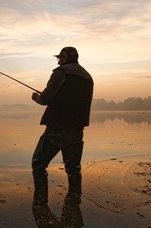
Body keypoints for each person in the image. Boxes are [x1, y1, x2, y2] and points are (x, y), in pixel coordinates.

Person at [31, 46, 94, 205]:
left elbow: (45, 99)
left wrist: (37, 97)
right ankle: (74, 201)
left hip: (57, 129)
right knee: (73, 168)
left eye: (59, 57)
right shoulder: (88, 77)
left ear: (66, 57)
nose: (58, 61)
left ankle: (40, 202)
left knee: (38, 164)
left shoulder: (60, 73)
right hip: (77, 130)